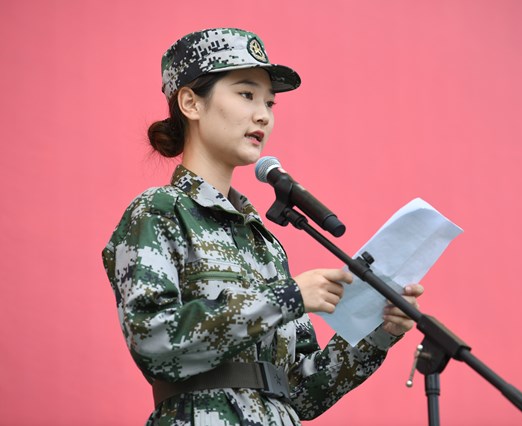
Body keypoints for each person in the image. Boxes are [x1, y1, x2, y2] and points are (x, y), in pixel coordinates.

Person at [102, 28, 424, 426]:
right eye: (246, 94)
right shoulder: (160, 212)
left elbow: (301, 394)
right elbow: (154, 342)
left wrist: (379, 330)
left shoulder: (264, 242)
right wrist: (286, 298)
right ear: (190, 103)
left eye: (270, 103)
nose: (263, 115)